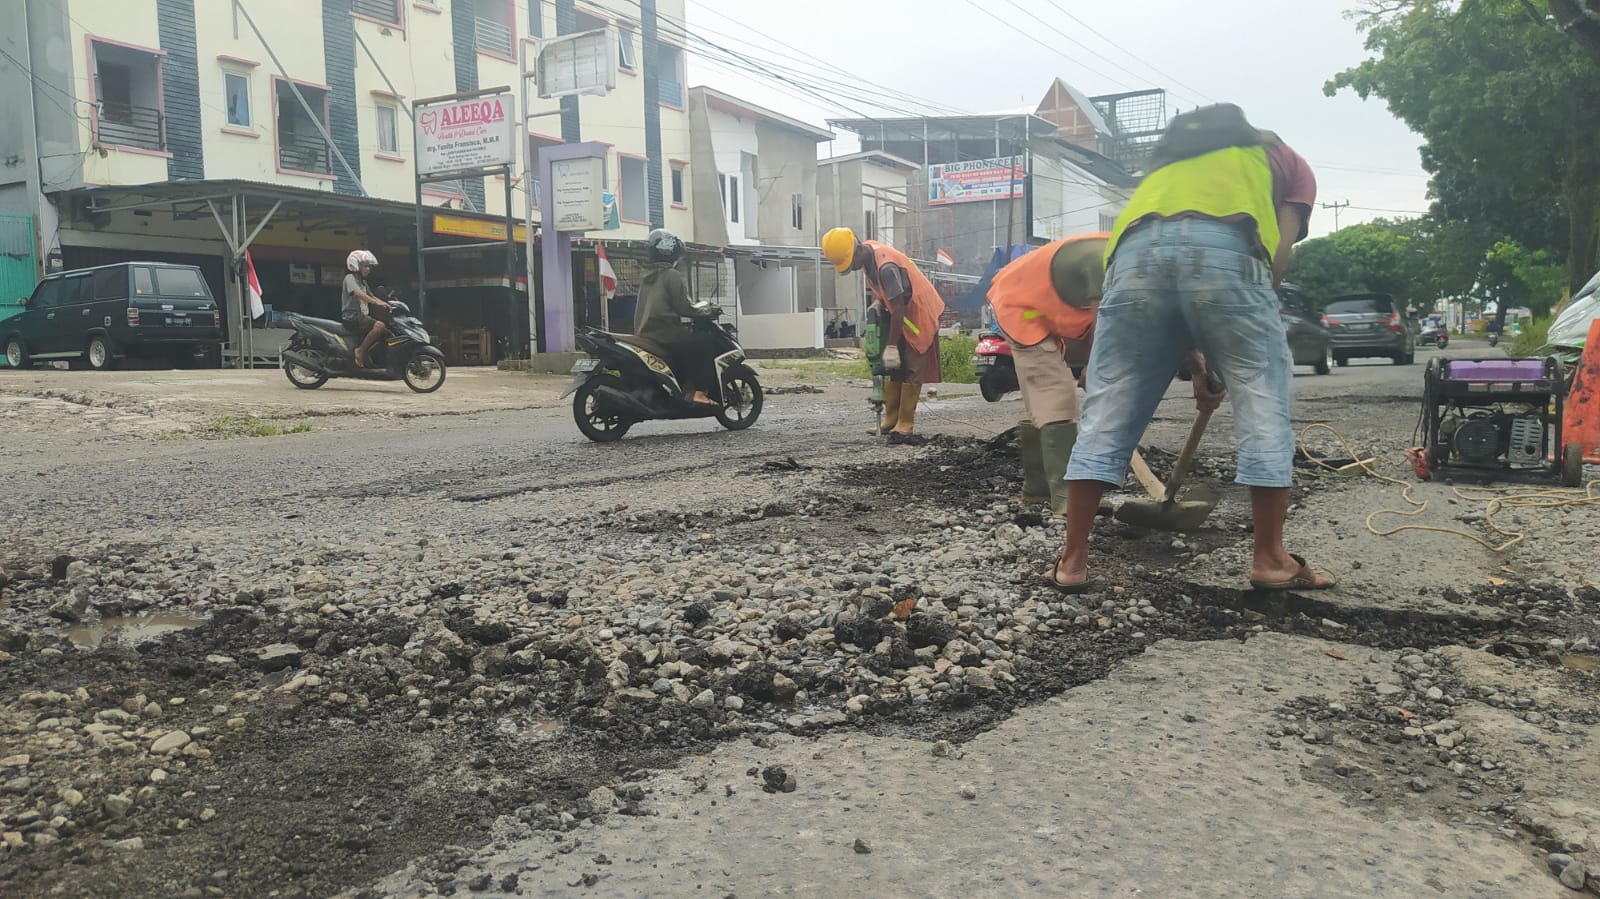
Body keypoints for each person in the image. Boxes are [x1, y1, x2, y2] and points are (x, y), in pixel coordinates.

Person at [1050, 103, 1336, 593]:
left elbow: (1168, 274)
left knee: (1106, 409)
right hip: (1229, 246)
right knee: (1263, 398)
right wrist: (1241, 340)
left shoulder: (1168, 170)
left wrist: (1202, 364)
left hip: (1132, 260)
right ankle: (1270, 558)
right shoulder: (1285, 159)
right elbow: (1278, 254)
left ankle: (1072, 560)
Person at [986, 232, 1109, 513]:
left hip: (1044, 306)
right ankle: (1067, 498)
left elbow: (1100, 321)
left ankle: (1038, 489)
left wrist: (1094, 365)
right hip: (1022, 308)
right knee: (1056, 394)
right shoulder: (1106, 261)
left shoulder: (1123, 254)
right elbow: (1104, 318)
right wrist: (1094, 366)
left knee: (1046, 398)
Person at [822, 227, 946, 442]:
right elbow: (890, 299)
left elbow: (899, 308)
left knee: (912, 366)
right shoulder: (867, 257)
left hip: (918, 312)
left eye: (852, 263)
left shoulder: (886, 267)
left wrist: (890, 346)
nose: (852, 268)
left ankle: (905, 422)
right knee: (894, 367)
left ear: (858, 249)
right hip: (901, 312)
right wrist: (879, 302)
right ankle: (891, 418)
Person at [634, 228, 719, 405]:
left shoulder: (647, 275)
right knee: (704, 342)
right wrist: (708, 311)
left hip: (645, 333)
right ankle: (698, 392)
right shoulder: (671, 275)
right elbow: (684, 308)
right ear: (671, 252)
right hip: (665, 332)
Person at [342, 250, 390, 369]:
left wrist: (385, 303)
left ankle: (371, 357)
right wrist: (376, 303)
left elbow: (372, 295)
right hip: (352, 317)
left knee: (387, 332)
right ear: (355, 265)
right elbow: (358, 294)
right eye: (365, 266)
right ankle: (360, 351)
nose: (368, 269)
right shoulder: (350, 278)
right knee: (380, 326)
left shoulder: (362, 281)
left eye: (369, 266)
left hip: (362, 317)